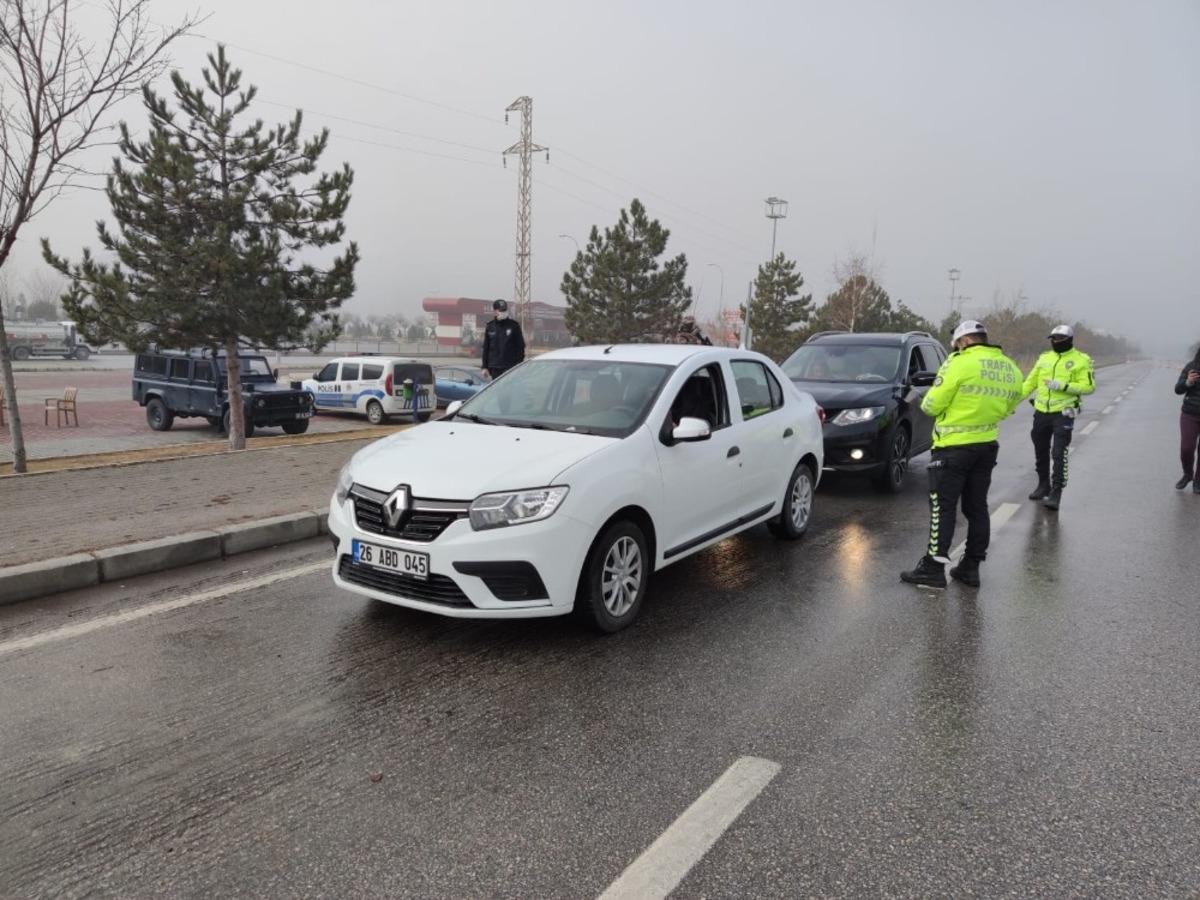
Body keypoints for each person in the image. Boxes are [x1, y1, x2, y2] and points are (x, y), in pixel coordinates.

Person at [901, 320, 1024, 589]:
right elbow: (1014, 401)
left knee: (943, 508)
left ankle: (932, 570)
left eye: (957, 343)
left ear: (964, 341)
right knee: (977, 507)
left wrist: (927, 399)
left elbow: (932, 404)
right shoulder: (1009, 367)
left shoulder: (959, 362)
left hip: (953, 447)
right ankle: (971, 567)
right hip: (986, 445)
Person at [1021, 324, 1095, 510]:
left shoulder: (1081, 360)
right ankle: (1043, 484)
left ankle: (1056, 491)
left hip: (1064, 413)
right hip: (1041, 412)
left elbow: (1088, 387)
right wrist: (1010, 402)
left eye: (1059, 339)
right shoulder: (1045, 358)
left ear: (1069, 340)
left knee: (1059, 452)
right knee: (1041, 450)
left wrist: (1062, 386)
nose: (1055, 342)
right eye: (1052, 339)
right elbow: (1029, 383)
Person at [1174, 347, 1200, 492]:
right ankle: (1188, 474)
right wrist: (1188, 382)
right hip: (1190, 413)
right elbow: (1178, 389)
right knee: (1187, 448)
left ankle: (1198, 481)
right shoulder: (1191, 366)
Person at [481, 299, 525, 379]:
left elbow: (521, 347)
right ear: (495, 311)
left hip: (510, 367)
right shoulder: (490, 326)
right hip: (494, 367)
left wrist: (518, 365)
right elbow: (486, 348)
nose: (503, 312)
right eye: (500, 310)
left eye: (504, 310)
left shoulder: (514, 326)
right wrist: (484, 367)